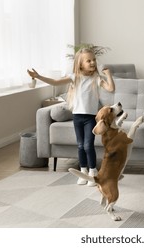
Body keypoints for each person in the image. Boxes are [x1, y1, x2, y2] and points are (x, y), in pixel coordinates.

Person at [27, 47, 115, 186]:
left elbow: (111, 88)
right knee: (80, 145)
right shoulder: (75, 78)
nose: (92, 63)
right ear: (80, 64)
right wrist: (38, 77)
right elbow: (55, 82)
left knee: (88, 145)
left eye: (94, 60)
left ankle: (93, 172)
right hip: (77, 117)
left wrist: (108, 74)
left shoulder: (96, 78)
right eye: (89, 61)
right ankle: (83, 171)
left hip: (90, 118)